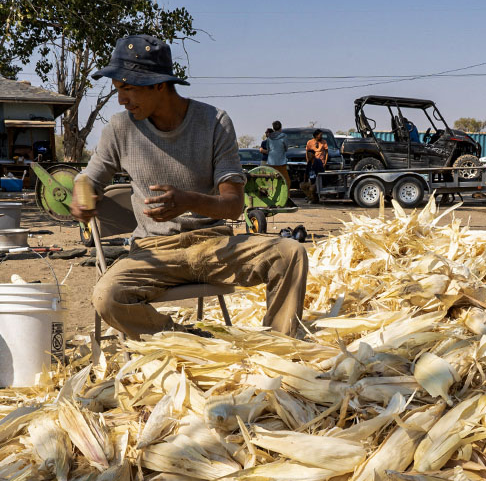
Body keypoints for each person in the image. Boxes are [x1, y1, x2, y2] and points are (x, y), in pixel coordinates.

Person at [70, 35, 308, 340]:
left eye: (127, 88)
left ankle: (279, 346)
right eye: (118, 90)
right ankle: (187, 339)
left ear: (158, 84)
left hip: (213, 245)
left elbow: (234, 206)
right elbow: (89, 178)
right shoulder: (120, 128)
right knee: (107, 296)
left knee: (290, 254)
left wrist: (188, 201)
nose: (121, 100)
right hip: (153, 253)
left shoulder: (214, 122)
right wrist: (82, 193)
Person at [266, 121, 290, 185]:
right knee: (286, 181)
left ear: (273, 128)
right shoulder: (284, 136)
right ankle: (287, 194)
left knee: (271, 180)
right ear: (281, 128)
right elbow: (286, 148)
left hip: (271, 162)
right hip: (281, 162)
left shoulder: (269, 138)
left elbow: (268, 149)